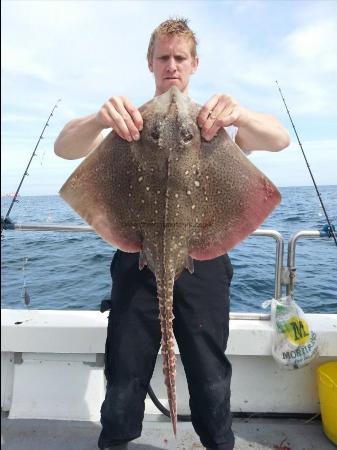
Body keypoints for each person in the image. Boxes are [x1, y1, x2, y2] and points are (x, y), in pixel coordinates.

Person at [54, 18, 289, 450]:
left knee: (208, 365)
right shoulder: (130, 122)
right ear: (150, 63)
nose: (172, 66)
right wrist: (96, 120)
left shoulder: (213, 123)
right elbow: (64, 146)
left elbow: (279, 139)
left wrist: (242, 114)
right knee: (125, 362)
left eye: (180, 57)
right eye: (164, 57)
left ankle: (218, 442)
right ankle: (117, 439)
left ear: (194, 63)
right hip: (136, 251)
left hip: (204, 258)